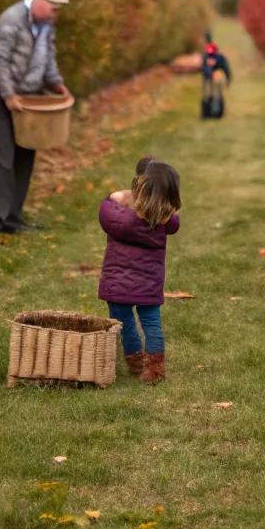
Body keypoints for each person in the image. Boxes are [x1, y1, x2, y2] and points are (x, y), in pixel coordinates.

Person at [0, 0, 70, 234]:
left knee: (25, 154)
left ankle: (12, 219)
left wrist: (56, 84)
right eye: (54, 8)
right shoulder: (12, 18)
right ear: (40, 0)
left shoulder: (46, 24)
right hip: (4, 97)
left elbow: (48, 58)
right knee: (2, 156)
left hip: (32, 100)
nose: (55, 14)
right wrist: (8, 95)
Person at [98, 159, 181, 384]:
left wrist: (115, 197)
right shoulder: (165, 221)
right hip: (149, 284)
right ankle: (155, 369)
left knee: (124, 323)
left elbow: (106, 208)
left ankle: (135, 362)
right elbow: (175, 221)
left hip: (117, 284)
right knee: (152, 323)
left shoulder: (118, 216)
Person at [200, 40, 232, 119]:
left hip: (217, 80)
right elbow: (204, 68)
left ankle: (217, 113)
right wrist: (210, 74)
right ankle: (206, 113)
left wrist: (228, 80)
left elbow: (226, 69)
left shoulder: (220, 58)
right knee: (206, 96)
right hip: (208, 80)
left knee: (217, 96)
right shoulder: (205, 57)